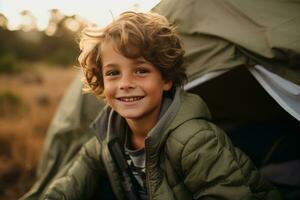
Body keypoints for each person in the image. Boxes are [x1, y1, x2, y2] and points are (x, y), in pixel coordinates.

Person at [42, 11, 281, 200]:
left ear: (166, 79)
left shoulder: (194, 140)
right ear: (102, 83)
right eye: (113, 73)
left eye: (141, 71)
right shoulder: (105, 138)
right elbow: (68, 186)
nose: (126, 83)